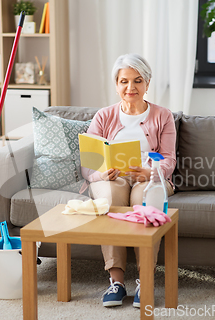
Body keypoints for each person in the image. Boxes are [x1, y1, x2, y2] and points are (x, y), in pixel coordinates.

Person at [81, 53, 176, 308]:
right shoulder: (103, 116)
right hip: (113, 178)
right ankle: (116, 281)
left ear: (147, 83)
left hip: (148, 177)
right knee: (109, 198)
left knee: (144, 200)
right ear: (116, 84)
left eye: (137, 81)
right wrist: (102, 174)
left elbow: (169, 159)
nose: (130, 87)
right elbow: (89, 163)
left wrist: (151, 173)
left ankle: (145, 280)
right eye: (124, 81)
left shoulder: (163, 115)